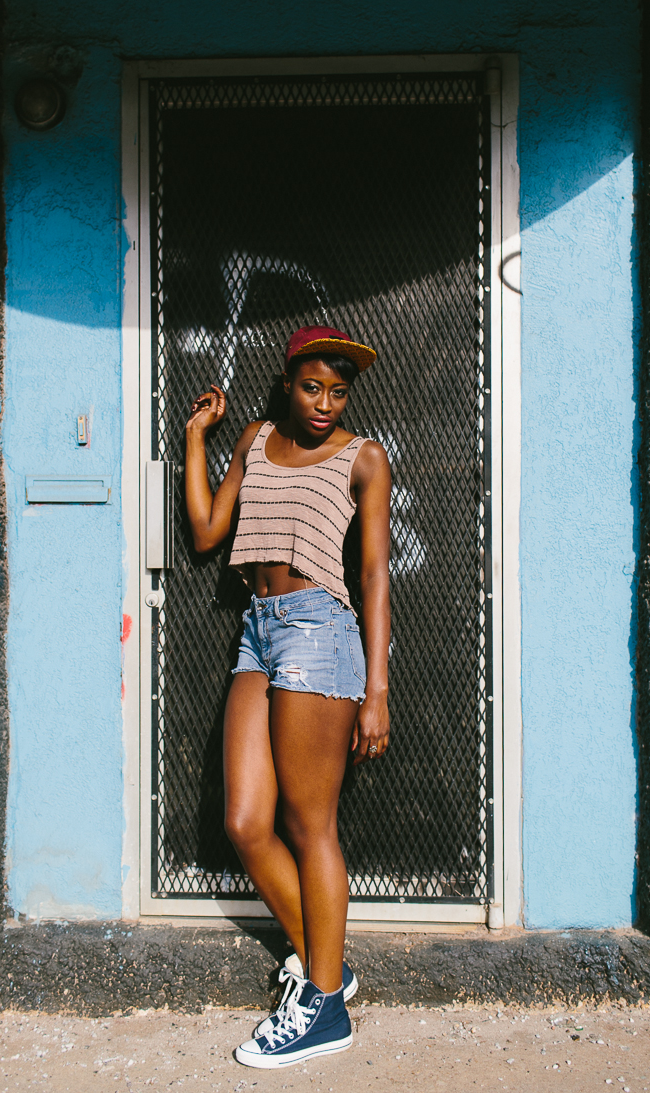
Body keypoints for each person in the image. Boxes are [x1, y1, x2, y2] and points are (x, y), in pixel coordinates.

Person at [184, 325, 391, 1068]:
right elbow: (208, 530)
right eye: (312, 387)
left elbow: (371, 575)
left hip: (320, 630)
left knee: (311, 825)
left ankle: (325, 1007)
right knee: (245, 819)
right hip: (259, 632)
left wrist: (377, 686)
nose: (325, 403)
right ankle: (325, 965)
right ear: (286, 383)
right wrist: (196, 438)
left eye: (339, 391)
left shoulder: (363, 458)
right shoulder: (256, 438)